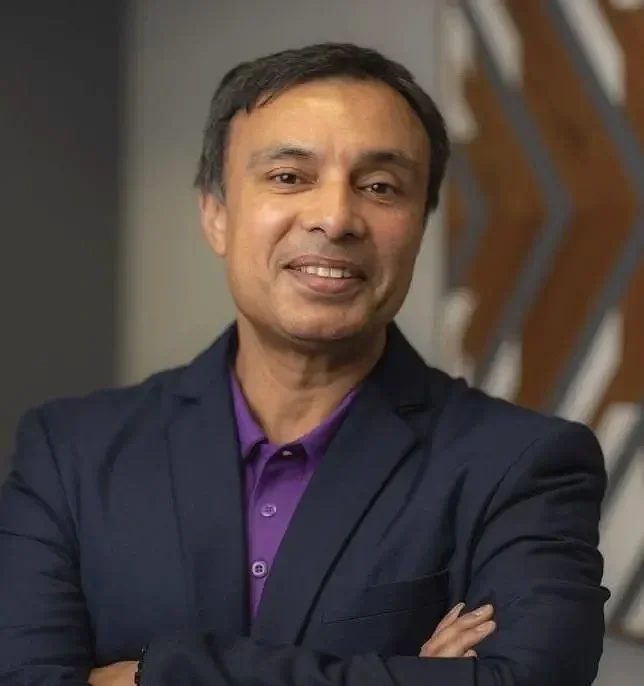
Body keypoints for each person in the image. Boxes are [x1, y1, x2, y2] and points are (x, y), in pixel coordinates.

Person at [0, 42, 608, 686]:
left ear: (421, 225)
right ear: (216, 214)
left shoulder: (523, 466)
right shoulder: (70, 454)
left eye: (380, 187)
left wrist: (161, 675)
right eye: (290, 177)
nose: (336, 218)